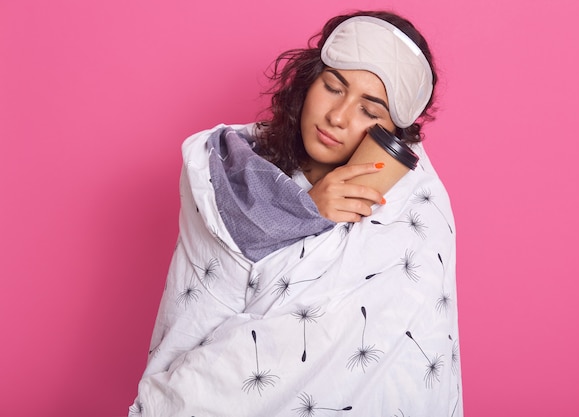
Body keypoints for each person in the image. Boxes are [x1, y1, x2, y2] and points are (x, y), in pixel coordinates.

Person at [130, 10, 462, 417]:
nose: (337, 117)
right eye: (333, 87)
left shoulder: (411, 217)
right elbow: (201, 303)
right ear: (309, 81)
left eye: (370, 112)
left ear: (392, 135)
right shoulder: (232, 169)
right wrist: (302, 210)